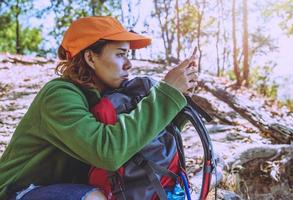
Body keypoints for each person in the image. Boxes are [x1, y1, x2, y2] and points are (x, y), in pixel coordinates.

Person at [0, 16, 198, 200]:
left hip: (65, 188)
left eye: (128, 55)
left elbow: (144, 138)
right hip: (19, 191)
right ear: (90, 58)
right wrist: (165, 96)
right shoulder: (59, 95)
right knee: (95, 197)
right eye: (121, 54)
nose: (129, 64)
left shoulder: (107, 97)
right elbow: (108, 152)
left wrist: (178, 100)